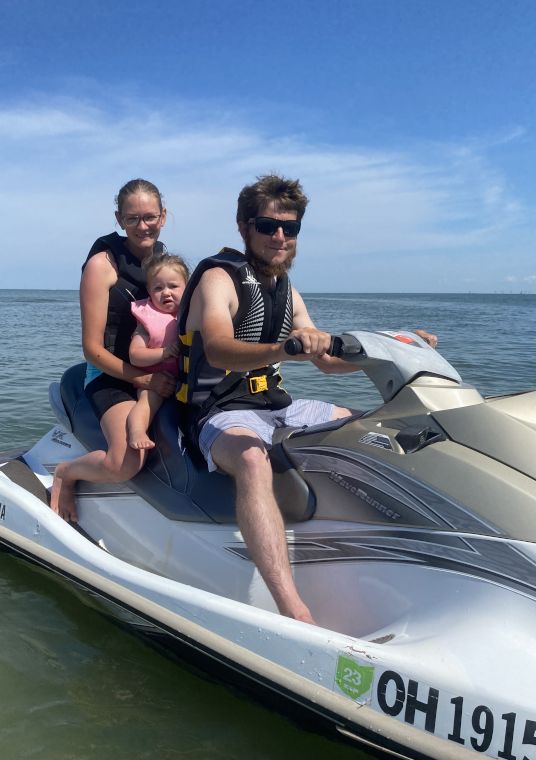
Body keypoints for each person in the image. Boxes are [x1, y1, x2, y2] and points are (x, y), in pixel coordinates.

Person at [176, 174, 437, 624]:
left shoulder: (285, 289)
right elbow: (217, 347)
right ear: (244, 226)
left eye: (290, 228)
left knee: (373, 431)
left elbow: (328, 362)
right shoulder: (218, 278)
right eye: (267, 225)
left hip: (278, 406)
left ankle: (410, 547)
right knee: (254, 461)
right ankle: (291, 607)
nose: (279, 236)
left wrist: (400, 348)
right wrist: (285, 348)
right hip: (215, 411)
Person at [51, 179, 175, 522]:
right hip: (110, 374)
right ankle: (67, 473)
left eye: (150, 216)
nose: (142, 226)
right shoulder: (101, 265)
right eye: (132, 218)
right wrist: (143, 378)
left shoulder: (163, 263)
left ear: (163, 216)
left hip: (156, 369)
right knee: (126, 462)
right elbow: (92, 349)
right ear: (119, 219)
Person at [127, 253, 189, 450]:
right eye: (158, 288)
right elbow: (135, 355)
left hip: (188, 381)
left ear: (188, 286)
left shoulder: (194, 313)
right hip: (154, 381)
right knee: (147, 401)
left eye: (173, 286)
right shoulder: (147, 321)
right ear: (149, 291)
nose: (166, 293)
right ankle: (137, 431)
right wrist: (163, 353)